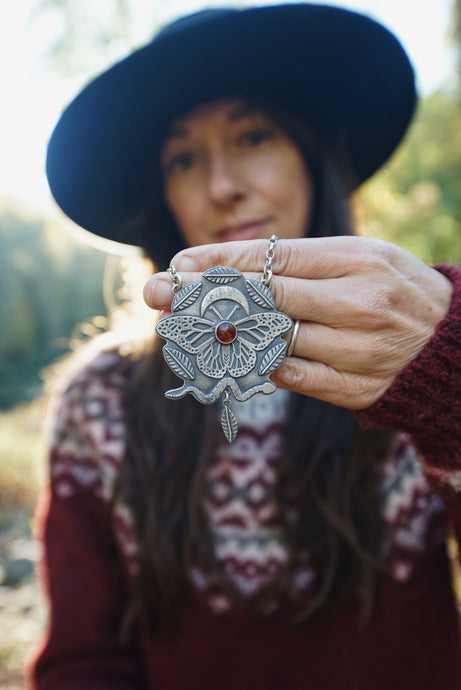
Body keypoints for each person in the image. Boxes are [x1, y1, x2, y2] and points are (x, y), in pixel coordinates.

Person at [32, 4, 461, 689]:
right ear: (162, 197)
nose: (222, 185)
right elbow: (83, 664)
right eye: (182, 158)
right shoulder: (100, 406)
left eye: (253, 135)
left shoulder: (415, 349)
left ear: (311, 157)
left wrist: (447, 379)